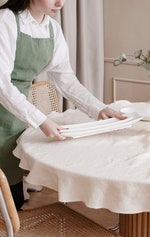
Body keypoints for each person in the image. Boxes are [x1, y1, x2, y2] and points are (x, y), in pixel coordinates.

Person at [0, 0, 125, 213]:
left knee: (12, 202)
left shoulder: (52, 29)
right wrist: (41, 120)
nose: (61, 3)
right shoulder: (6, 21)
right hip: (9, 101)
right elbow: (2, 84)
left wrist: (98, 108)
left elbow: (65, 79)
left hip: (15, 114)